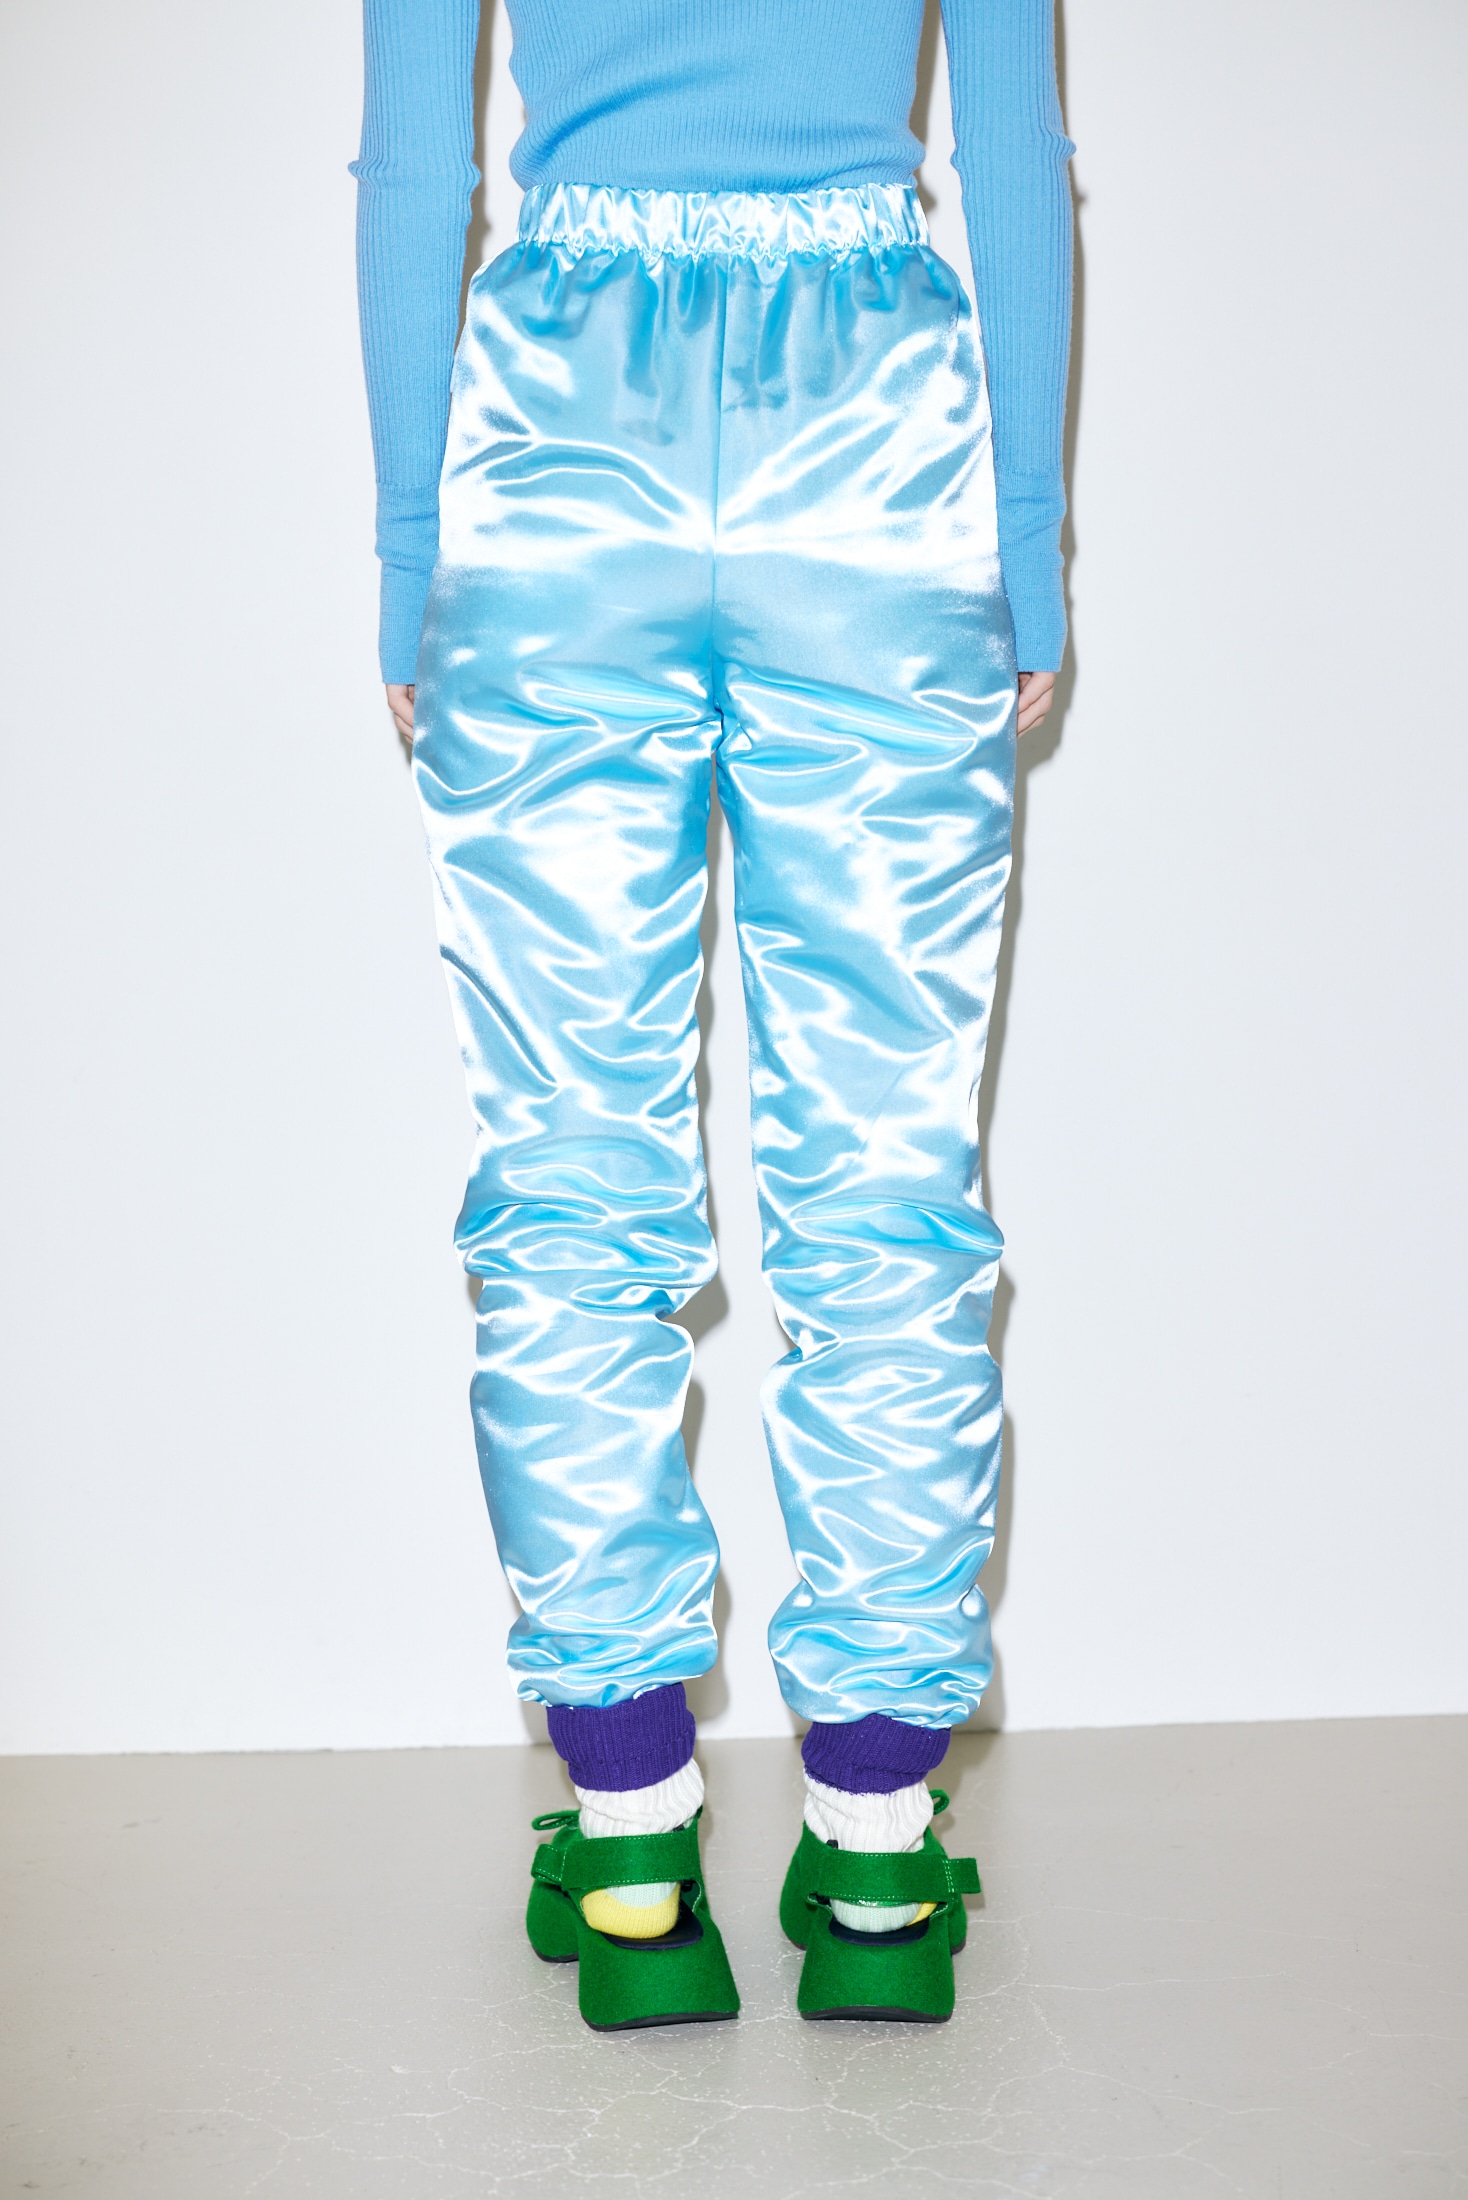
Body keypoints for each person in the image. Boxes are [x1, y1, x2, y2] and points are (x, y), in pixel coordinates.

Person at [352, 0, 1073, 2030]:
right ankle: (874, 1851)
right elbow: (1011, 159)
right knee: (887, 1157)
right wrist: (1022, 544)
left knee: (569, 1150)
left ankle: (634, 1846)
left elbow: (416, 167)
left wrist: (412, 551)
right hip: (877, 448)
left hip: (560, 441)